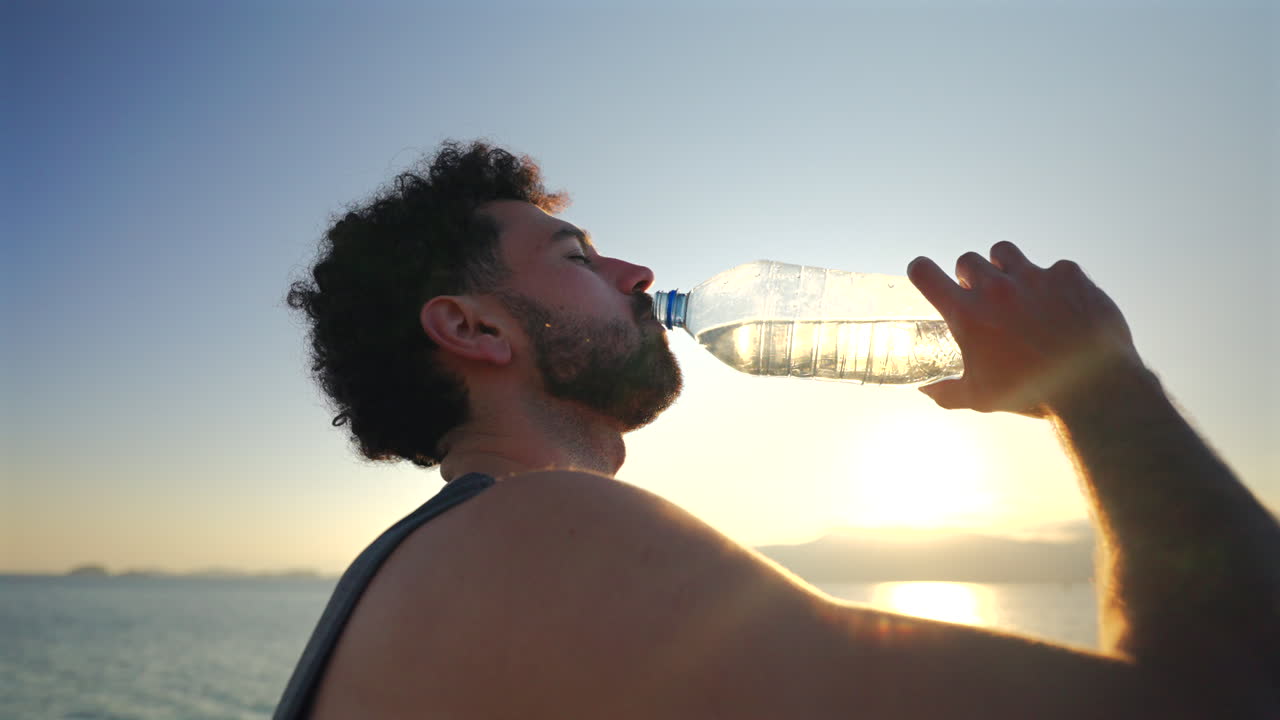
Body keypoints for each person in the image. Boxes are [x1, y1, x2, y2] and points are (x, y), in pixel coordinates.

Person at [278, 140, 1278, 719]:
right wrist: (1102, 385)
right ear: (472, 327)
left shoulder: (440, 568)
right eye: (577, 255)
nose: (634, 273)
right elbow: (1229, 694)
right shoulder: (542, 536)